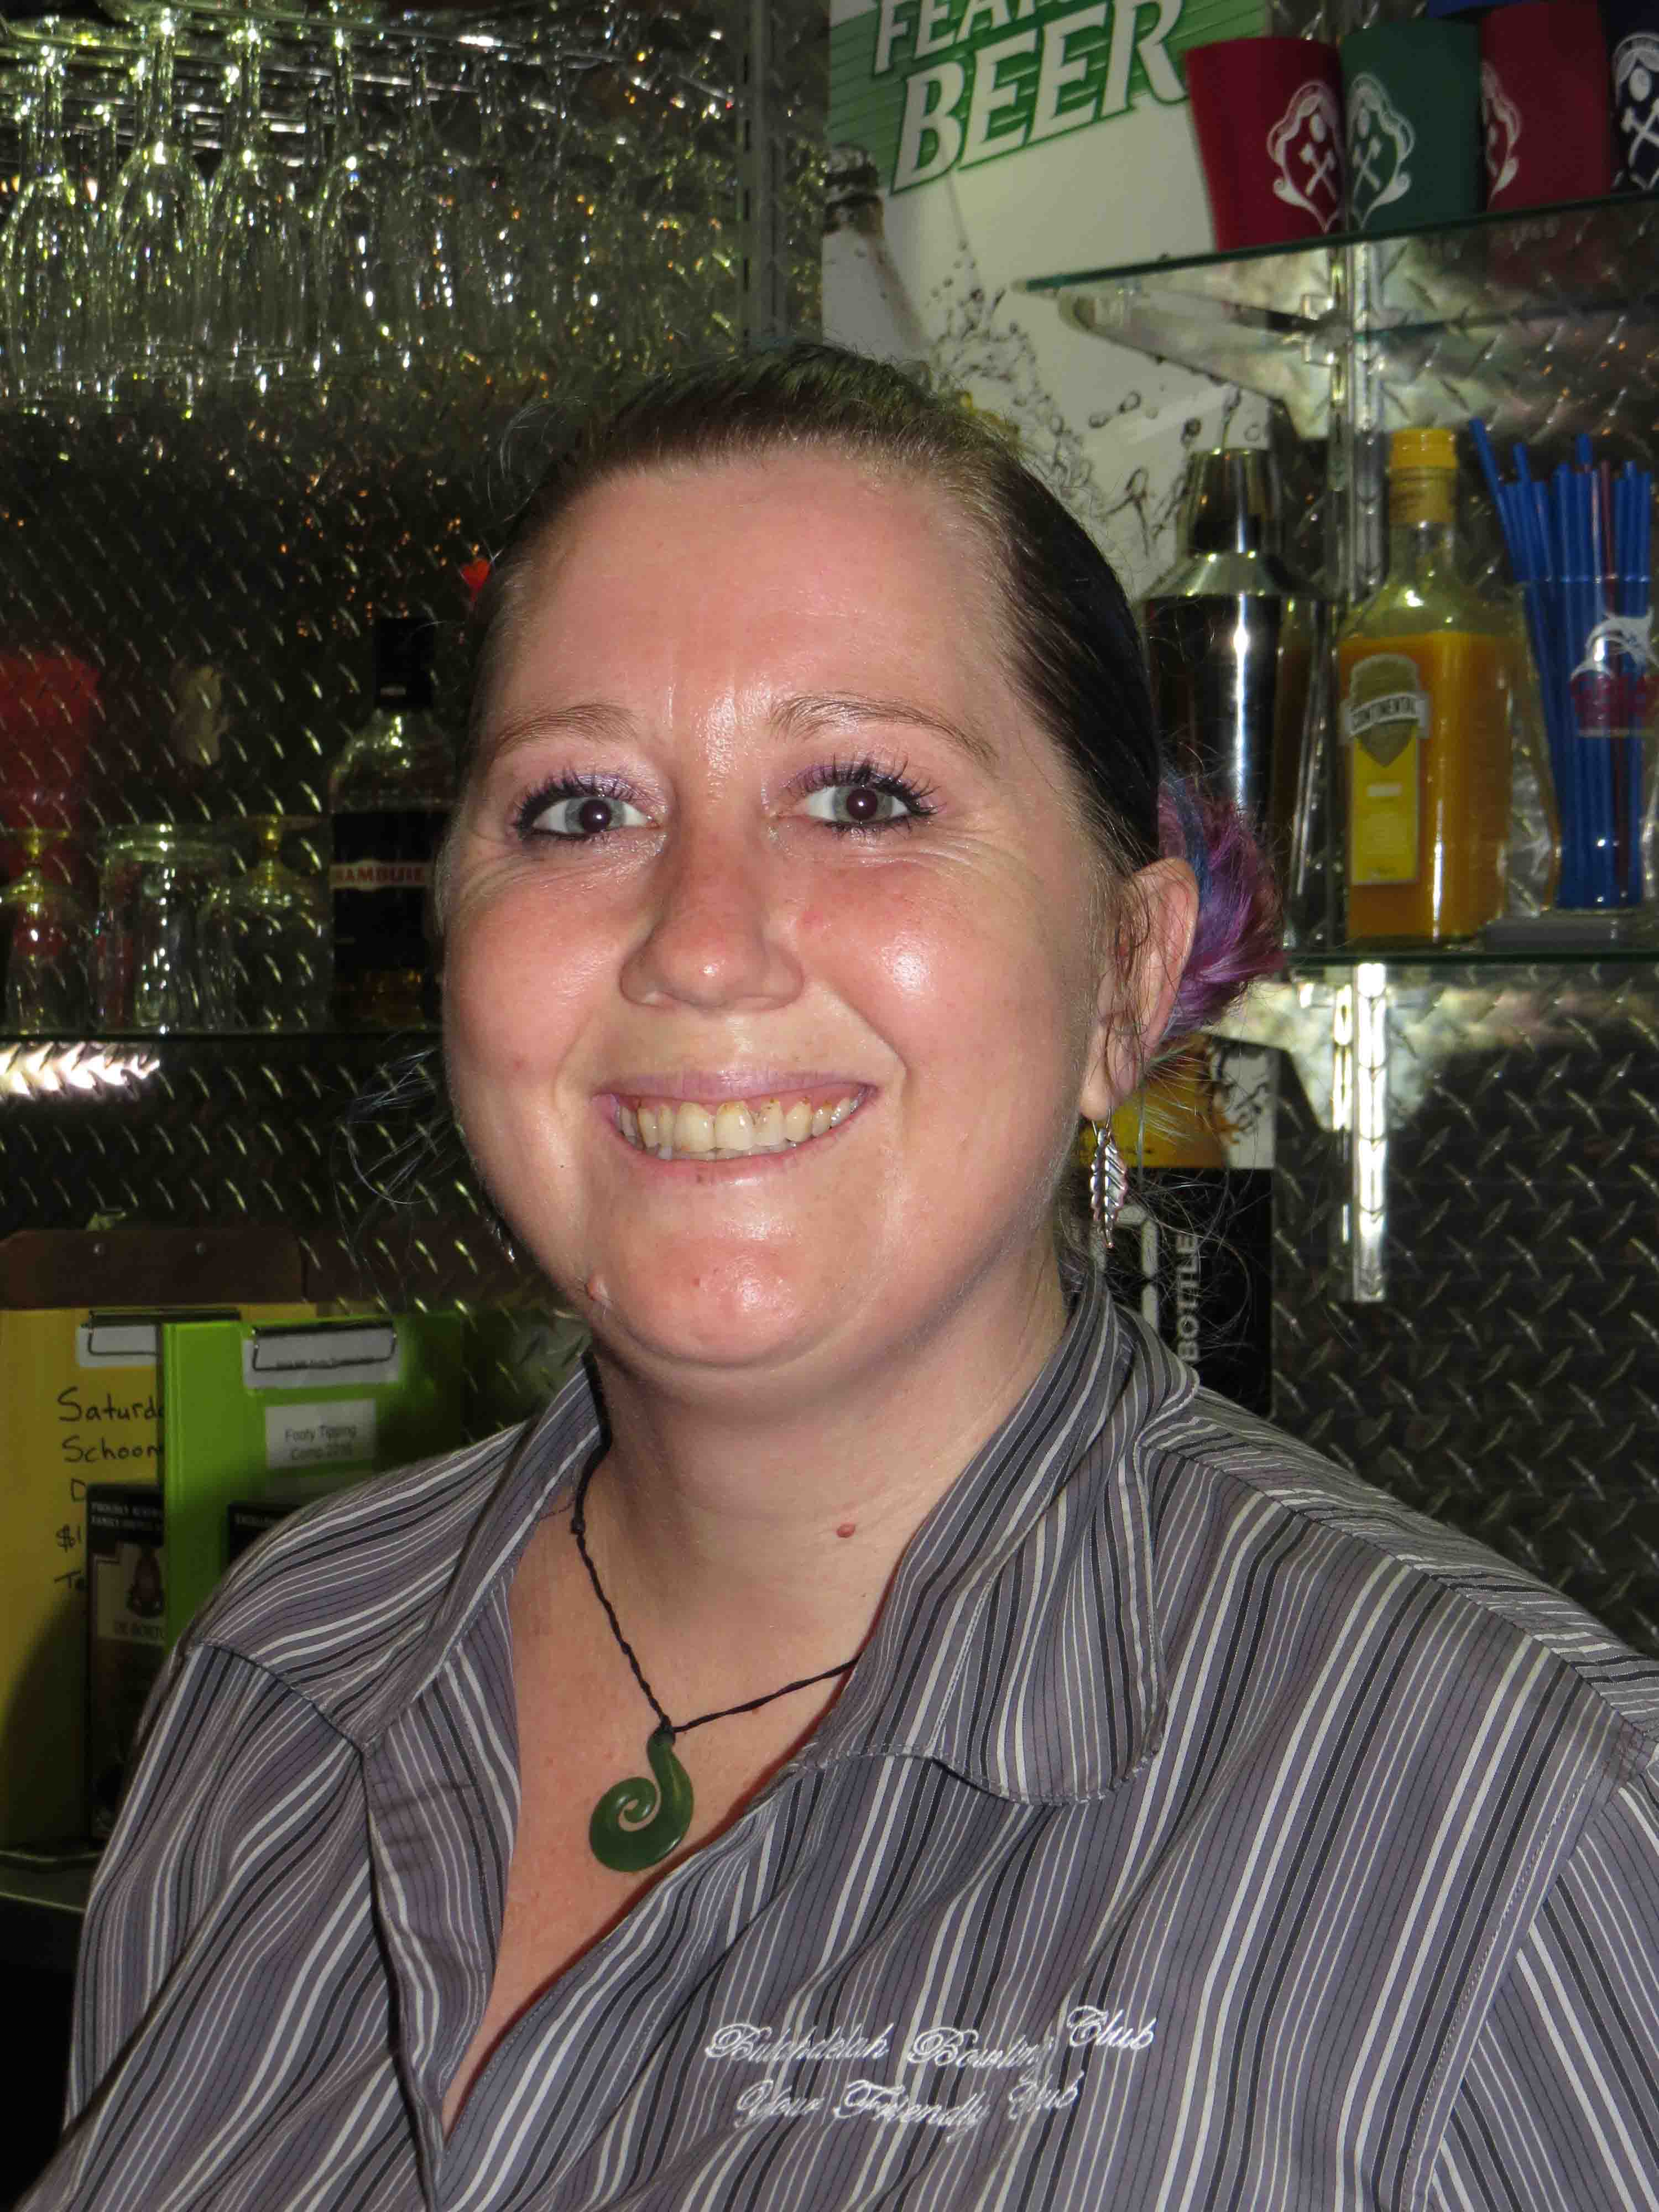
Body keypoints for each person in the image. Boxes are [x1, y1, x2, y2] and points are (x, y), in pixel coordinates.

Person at [29, 347, 1659, 2212]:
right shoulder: (288, 1664)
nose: (702, 945)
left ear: (1127, 974)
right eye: (579, 808)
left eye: (867, 795)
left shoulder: (1514, 1822)